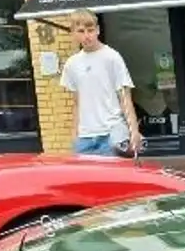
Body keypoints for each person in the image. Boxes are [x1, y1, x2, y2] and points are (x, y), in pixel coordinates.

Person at [59, 10, 142, 156]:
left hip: (111, 134)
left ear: (97, 30)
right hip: (84, 138)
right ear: (73, 33)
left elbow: (125, 98)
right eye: (81, 31)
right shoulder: (71, 64)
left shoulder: (112, 57)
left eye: (90, 30)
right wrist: (74, 136)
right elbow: (77, 103)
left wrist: (134, 131)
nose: (87, 35)